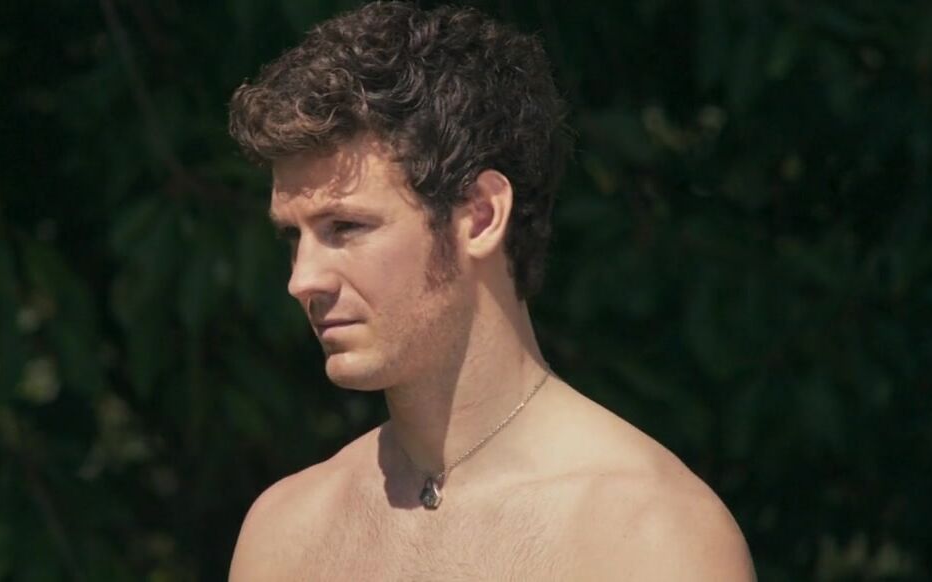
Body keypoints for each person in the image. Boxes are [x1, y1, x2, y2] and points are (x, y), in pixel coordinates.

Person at [225, 2, 754, 580]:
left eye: (345, 227)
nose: (302, 279)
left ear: (480, 216)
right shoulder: (287, 533)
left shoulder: (651, 534)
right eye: (293, 237)